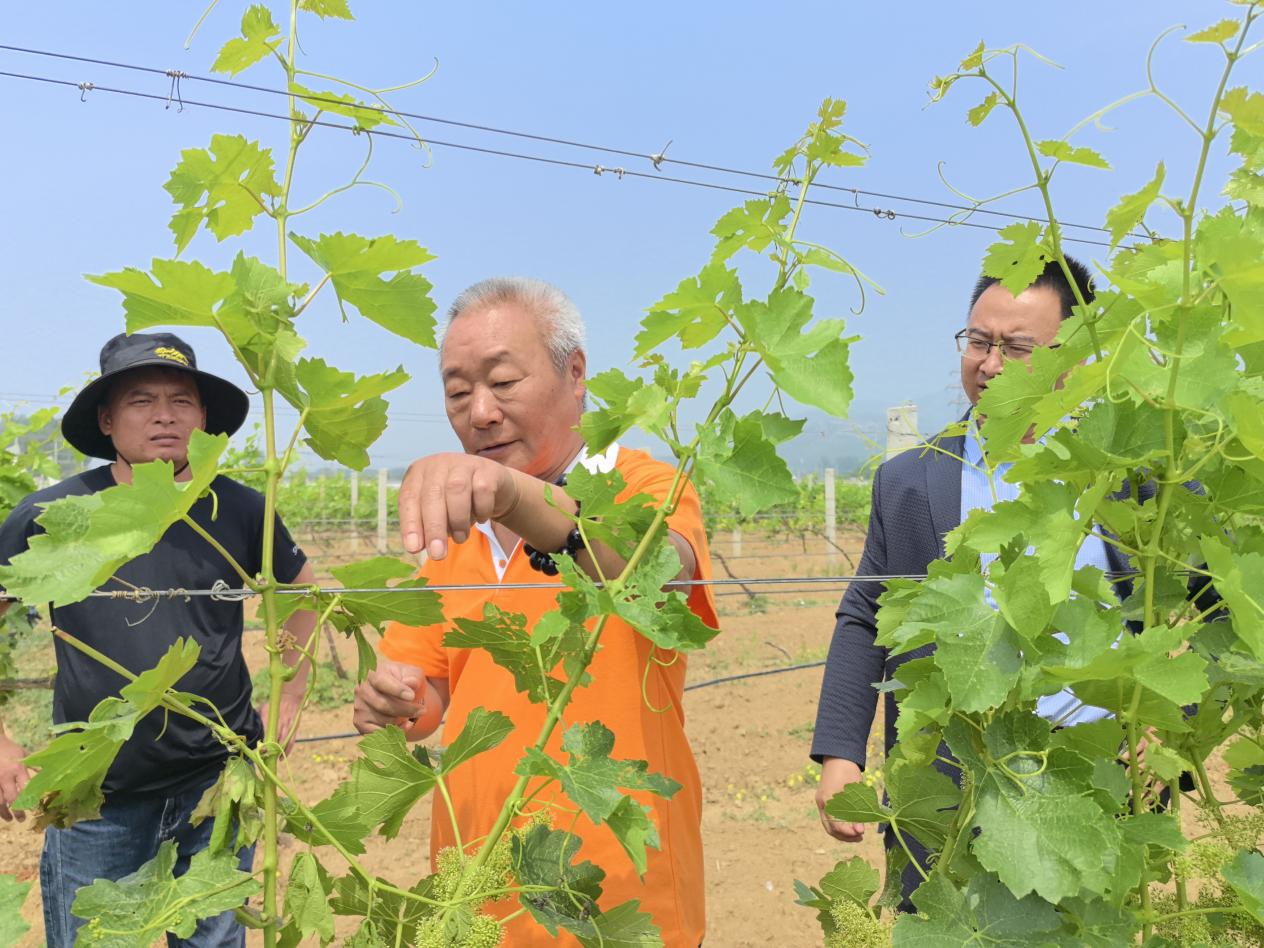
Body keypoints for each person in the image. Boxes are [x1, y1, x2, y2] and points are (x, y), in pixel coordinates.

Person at [351, 277, 718, 947]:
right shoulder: (451, 533)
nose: (479, 413)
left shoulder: (647, 486)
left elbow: (658, 571)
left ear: (574, 374)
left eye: (502, 383)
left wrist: (516, 499)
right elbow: (427, 696)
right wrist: (395, 700)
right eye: (458, 393)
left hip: (621, 904)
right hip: (476, 892)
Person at [0, 331, 316, 948]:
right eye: (142, 400)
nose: (166, 415)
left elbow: (304, 594)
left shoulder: (241, 508)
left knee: (214, 941)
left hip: (218, 786)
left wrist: (294, 694)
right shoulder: (54, 513)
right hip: (98, 797)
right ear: (107, 420)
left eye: (183, 401)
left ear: (202, 419)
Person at [810, 257, 1108, 904]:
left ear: (1077, 357)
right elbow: (866, 616)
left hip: (1090, 781)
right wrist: (842, 755)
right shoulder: (911, 482)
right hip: (944, 785)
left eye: (1018, 347)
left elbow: (1201, 604)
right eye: (979, 342)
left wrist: (1165, 724)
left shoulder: (1124, 474)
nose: (990, 364)